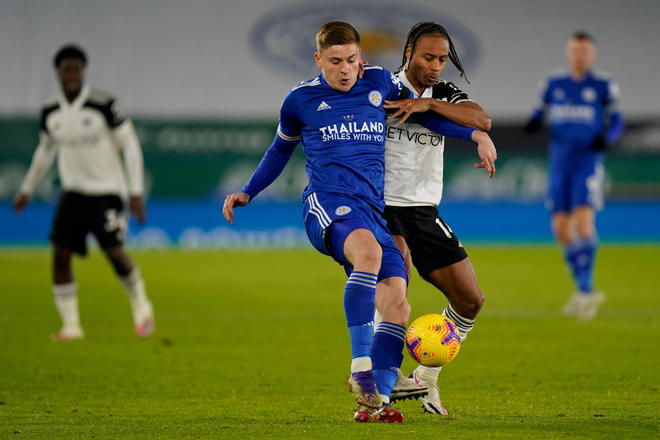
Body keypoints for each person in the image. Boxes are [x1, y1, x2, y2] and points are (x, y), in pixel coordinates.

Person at [223, 21, 494, 423]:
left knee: (397, 301)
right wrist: (249, 190)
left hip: (371, 209)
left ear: (361, 58)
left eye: (352, 60)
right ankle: (361, 369)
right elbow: (280, 151)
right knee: (367, 252)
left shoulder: (379, 83)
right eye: (335, 62)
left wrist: (473, 135)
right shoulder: (300, 100)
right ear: (319, 60)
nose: (345, 69)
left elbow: (426, 117)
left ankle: (378, 400)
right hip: (328, 202)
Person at [375, 21, 495, 415]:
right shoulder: (385, 88)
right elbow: (463, 126)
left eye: (442, 59)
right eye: (429, 57)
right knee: (396, 292)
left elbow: (481, 118)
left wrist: (430, 104)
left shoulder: (442, 93)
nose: (436, 66)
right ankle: (378, 387)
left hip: (425, 210)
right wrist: (471, 133)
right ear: (408, 51)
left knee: (470, 300)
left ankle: (426, 378)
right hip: (384, 206)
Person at [13, 45, 155, 341]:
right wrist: (26, 188)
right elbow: (45, 149)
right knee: (60, 255)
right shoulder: (50, 112)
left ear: (83, 72)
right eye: (66, 69)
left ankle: (141, 303)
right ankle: (71, 326)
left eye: (76, 69)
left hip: (107, 192)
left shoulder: (104, 104)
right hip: (73, 192)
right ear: (58, 74)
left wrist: (136, 192)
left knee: (114, 254)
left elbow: (130, 144)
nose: (72, 75)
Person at [525, 31, 624, 321]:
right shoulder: (554, 83)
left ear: (591, 55)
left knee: (583, 221)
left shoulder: (604, 84)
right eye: (576, 51)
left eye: (585, 52)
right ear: (570, 53)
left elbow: (617, 121)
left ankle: (586, 289)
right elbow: (537, 112)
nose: (580, 56)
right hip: (559, 163)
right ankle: (583, 289)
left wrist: (609, 138)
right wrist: (532, 122)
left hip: (587, 163)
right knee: (560, 228)